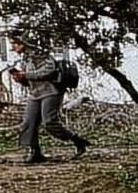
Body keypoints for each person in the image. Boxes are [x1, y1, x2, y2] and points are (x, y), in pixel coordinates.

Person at [9, 33, 88, 165]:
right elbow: (30, 78)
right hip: (35, 93)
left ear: (23, 43)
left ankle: (77, 141)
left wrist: (27, 75)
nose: (13, 47)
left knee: (49, 122)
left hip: (50, 91)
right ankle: (34, 152)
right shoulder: (25, 59)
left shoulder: (38, 54)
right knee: (29, 123)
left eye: (15, 43)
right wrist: (21, 79)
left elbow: (49, 69)